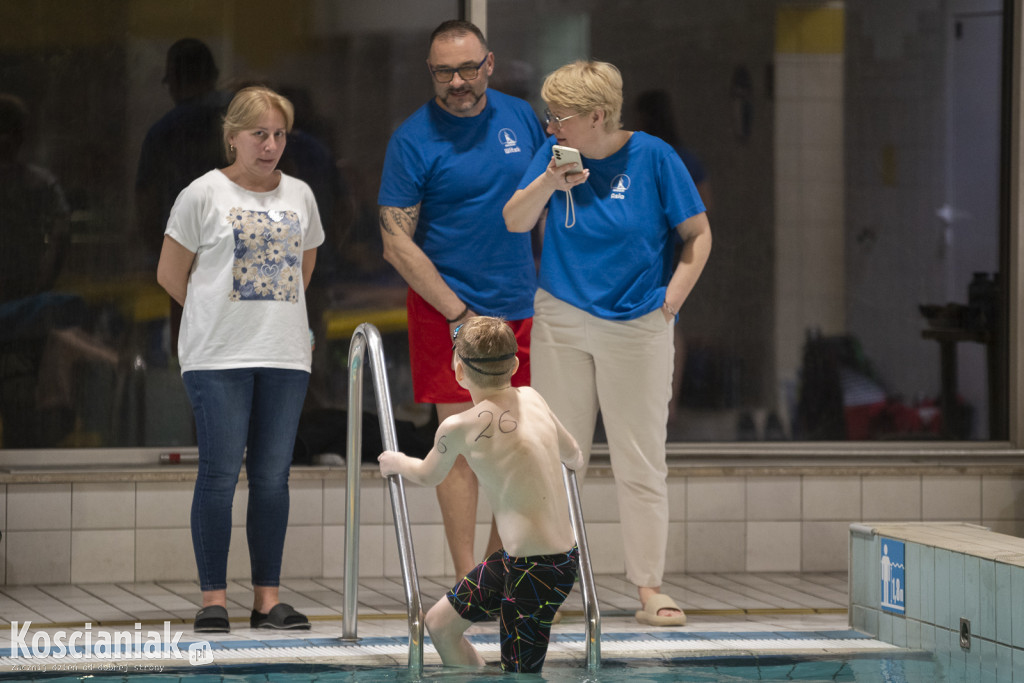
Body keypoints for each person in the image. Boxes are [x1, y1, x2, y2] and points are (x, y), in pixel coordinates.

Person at [503, 61, 712, 627]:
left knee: (640, 460)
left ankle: (649, 588)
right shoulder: (553, 160)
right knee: (556, 458)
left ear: (597, 116)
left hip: (639, 321)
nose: (552, 127)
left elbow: (698, 236)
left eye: (561, 117)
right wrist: (548, 181)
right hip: (562, 319)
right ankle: (549, 584)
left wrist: (671, 302)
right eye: (549, 115)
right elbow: (514, 220)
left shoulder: (653, 158)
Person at [378, 20, 546, 579]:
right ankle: (465, 580)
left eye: (468, 68)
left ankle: (501, 576)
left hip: (517, 305)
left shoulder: (521, 118)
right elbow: (394, 241)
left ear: (489, 64)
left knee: (514, 446)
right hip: (445, 310)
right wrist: (457, 312)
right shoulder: (413, 139)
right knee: (462, 447)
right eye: (444, 71)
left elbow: (546, 202)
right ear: (431, 72)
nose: (458, 81)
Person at [156, 86, 325, 633]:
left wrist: (276, 319)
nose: (270, 145)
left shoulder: (300, 194)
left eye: (278, 135)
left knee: (273, 478)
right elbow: (169, 274)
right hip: (217, 356)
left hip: (284, 353)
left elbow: (305, 267)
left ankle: (266, 599)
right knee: (220, 474)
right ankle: (213, 599)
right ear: (233, 137)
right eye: (259, 134)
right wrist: (215, 315)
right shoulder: (201, 194)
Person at [378, 316, 583, 674]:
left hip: (536, 570)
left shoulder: (459, 426)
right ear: (515, 365)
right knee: (440, 624)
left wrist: (395, 461)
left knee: (520, 675)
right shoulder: (533, 398)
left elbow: (427, 475)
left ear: (458, 371)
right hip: (530, 561)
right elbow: (574, 456)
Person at [138, 38, 231, 357]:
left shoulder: (163, 133)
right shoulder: (242, 120)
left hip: (188, 259)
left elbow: (147, 208)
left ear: (174, 79)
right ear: (214, 73)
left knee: (195, 358)